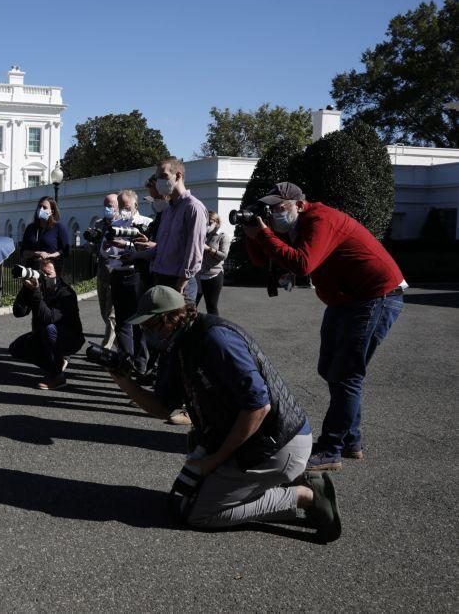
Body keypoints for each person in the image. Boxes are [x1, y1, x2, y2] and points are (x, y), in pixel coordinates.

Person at [109, 286, 342, 541]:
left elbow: (257, 406)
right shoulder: (177, 344)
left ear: (170, 317)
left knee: (199, 513)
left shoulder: (215, 338)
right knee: (188, 494)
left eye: (150, 326)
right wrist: (123, 380)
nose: (146, 333)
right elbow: (162, 407)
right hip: (254, 443)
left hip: (277, 442)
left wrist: (214, 460)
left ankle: (304, 495)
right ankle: (269, 481)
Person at [243, 182, 405, 472]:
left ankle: (332, 450)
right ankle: (350, 442)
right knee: (331, 369)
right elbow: (263, 261)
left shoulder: (321, 219)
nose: (273, 214)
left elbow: (302, 265)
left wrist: (265, 234)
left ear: (299, 204)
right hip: (346, 300)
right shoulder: (293, 228)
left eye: (279, 208)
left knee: (346, 375)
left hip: (375, 297)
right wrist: (253, 236)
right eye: (270, 209)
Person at [136, 158, 207, 302]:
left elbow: (194, 251)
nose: (159, 182)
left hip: (179, 282)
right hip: (159, 278)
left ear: (178, 175)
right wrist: (135, 255)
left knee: (178, 324)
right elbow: (161, 248)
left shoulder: (193, 208)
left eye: (164, 176)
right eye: (158, 178)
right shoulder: (168, 210)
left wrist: (182, 283)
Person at [9, 256, 84, 391]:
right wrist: (26, 291)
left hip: (70, 338)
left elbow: (49, 319)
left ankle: (58, 377)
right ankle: (55, 365)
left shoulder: (66, 293)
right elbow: (18, 312)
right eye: (42, 273)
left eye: (48, 274)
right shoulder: (39, 287)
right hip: (43, 333)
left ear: (59, 274)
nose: (44, 277)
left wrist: (36, 293)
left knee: (50, 329)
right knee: (17, 348)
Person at [108, 189, 154, 373]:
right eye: (121, 206)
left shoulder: (146, 223)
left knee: (141, 322)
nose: (124, 210)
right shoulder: (115, 224)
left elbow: (150, 250)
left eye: (127, 206)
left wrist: (127, 245)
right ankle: (126, 362)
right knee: (122, 321)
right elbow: (106, 253)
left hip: (137, 275)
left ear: (136, 205)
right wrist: (108, 246)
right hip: (118, 273)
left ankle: (141, 365)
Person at [89, 193, 119, 349]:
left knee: (111, 314)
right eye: (105, 205)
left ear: (118, 206)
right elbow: (94, 249)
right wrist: (92, 241)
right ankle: (121, 343)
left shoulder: (122, 224)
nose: (108, 208)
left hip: (116, 272)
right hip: (102, 273)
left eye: (111, 205)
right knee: (104, 312)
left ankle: (106, 347)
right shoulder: (99, 224)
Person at [20, 196, 70, 274]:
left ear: (52, 211)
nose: (41, 209)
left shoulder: (58, 227)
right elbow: (23, 252)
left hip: (50, 271)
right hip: (31, 272)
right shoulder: (30, 228)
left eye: (44, 207)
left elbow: (65, 251)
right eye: (40, 207)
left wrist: (50, 256)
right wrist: (36, 253)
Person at [196, 211, 231, 315]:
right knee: (191, 305)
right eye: (204, 223)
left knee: (211, 306)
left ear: (217, 222)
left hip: (213, 276)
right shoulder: (201, 234)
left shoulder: (222, 236)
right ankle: (191, 329)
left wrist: (208, 249)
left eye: (209, 223)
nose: (206, 226)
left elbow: (223, 256)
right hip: (198, 275)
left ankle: (214, 328)